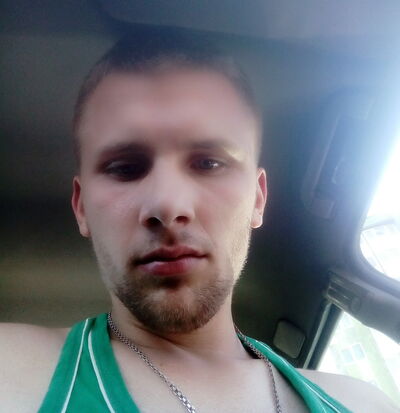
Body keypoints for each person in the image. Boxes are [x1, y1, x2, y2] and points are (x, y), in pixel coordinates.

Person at [1, 28, 398, 413]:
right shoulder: (12, 369)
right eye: (125, 168)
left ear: (258, 198)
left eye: (209, 163)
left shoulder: (365, 403)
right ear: (82, 207)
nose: (168, 205)